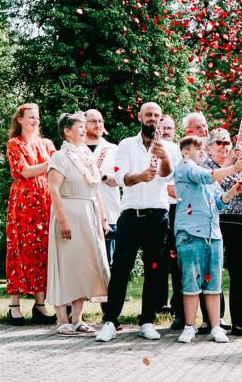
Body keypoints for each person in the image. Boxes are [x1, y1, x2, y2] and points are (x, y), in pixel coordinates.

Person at [96, 102, 174, 342]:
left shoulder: (169, 147)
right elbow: (120, 177)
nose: (152, 118)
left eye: (156, 115)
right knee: (120, 267)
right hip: (130, 214)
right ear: (140, 117)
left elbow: (169, 177)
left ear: (161, 119)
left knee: (154, 269)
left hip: (157, 215)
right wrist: (140, 176)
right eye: (148, 114)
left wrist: (165, 158)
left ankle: (147, 321)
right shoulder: (126, 144)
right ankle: (110, 320)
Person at [173, 136, 242, 344]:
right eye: (197, 148)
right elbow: (207, 177)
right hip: (190, 233)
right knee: (191, 282)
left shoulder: (207, 175)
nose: (202, 151)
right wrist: (233, 168)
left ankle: (216, 327)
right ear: (186, 152)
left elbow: (218, 202)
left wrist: (232, 192)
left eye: (203, 148)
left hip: (213, 234)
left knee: (214, 284)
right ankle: (189, 327)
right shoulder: (185, 167)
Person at [46, 112, 110, 335]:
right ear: (66, 130)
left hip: (88, 213)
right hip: (69, 212)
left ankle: (78, 318)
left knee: (84, 265)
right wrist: (63, 221)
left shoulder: (86, 155)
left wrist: (102, 218)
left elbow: (95, 189)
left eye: (85, 126)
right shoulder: (59, 157)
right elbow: (53, 188)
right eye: (79, 126)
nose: (84, 130)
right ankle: (61, 319)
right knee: (66, 265)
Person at [201, 128, 242, 336]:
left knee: (239, 272)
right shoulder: (204, 165)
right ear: (209, 148)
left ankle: (238, 322)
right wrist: (231, 165)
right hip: (215, 219)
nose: (225, 147)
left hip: (239, 220)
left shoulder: (240, 162)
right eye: (220, 143)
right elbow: (211, 181)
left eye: (227, 142)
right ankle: (211, 320)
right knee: (210, 270)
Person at [5, 103, 57, 325]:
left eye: (37, 117)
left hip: (45, 201)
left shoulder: (47, 143)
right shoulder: (14, 143)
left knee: (42, 250)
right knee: (19, 248)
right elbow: (25, 171)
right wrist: (52, 162)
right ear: (20, 119)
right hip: (23, 203)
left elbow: (59, 168)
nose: (35, 121)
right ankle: (14, 305)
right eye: (31, 117)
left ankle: (40, 304)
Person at [156, 114, 185, 330]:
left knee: (176, 261)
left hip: (175, 207)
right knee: (158, 259)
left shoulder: (177, 150)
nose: (167, 130)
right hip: (158, 207)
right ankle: (157, 304)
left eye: (170, 127)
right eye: (163, 127)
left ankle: (177, 305)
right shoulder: (152, 148)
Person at [84, 109, 120, 267]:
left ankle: (110, 293)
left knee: (109, 261)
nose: (97, 124)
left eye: (100, 121)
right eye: (93, 121)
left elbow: (120, 180)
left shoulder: (112, 149)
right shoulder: (74, 150)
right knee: (87, 263)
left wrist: (101, 175)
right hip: (83, 213)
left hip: (109, 211)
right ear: (83, 124)